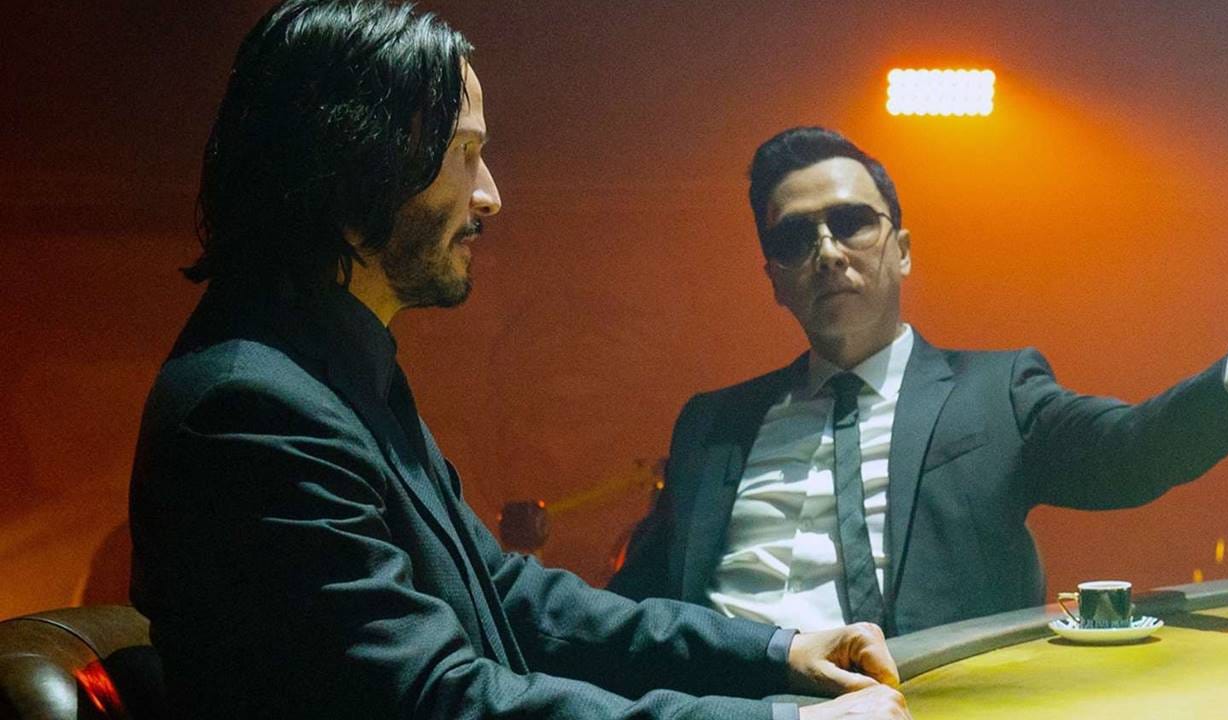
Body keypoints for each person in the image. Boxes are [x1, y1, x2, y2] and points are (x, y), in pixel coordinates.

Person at [129, 4, 913, 719]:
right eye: (464, 153)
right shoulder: (250, 408)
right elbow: (432, 701)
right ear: (356, 160)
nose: (490, 195)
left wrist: (778, 652)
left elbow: (508, 596)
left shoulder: (328, 374)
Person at [608, 126, 1228, 637]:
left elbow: (1132, 450)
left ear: (901, 250)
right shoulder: (714, 425)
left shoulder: (996, 390)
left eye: (851, 222)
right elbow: (636, 607)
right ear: (774, 281)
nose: (828, 252)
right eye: (794, 239)